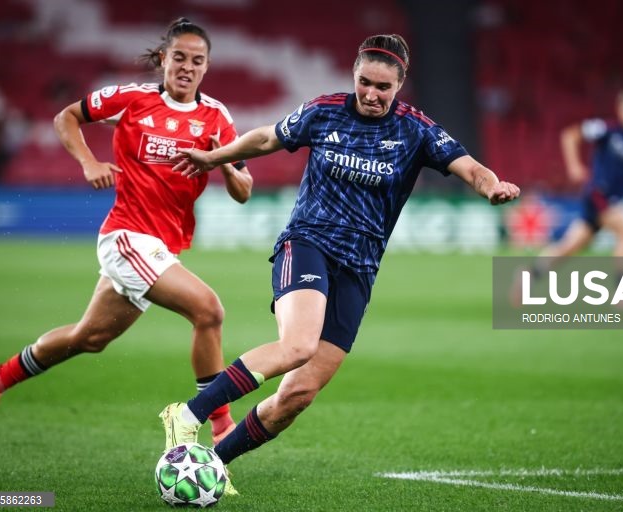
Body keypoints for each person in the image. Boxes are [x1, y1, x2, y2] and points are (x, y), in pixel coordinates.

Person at [158, 33, 520, 487]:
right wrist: (215, 157)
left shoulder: (416, 130)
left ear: (400, 86)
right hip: (308, 243)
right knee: (298, 346)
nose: (371, 94)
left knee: (298, 394)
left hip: (359, 269)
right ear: (354, 74)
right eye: (365, 82)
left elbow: (469, 166)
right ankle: (188, 412)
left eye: (383, 87)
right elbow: (268, 137)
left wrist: (492, 186)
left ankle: (212, 463)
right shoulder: (325, 110)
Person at [0, 18, 253, 446]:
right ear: (163, 59)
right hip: (127, 236)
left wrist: (222, 163)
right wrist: (88, 162)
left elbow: (244, 191)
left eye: (197, 61)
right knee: (208, 310)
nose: (186, 67)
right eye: (179, 57)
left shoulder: (217, 117)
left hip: (162, 244)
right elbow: (66, 117)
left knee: (91, 337)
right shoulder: (132, 99)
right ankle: (220, 426)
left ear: (207, 67)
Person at [527, 88, 623, 273]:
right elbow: (570, 135)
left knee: (570, 247)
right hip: (598, 194)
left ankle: (530, 274)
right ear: (619, 110)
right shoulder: (607, 129)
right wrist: (574, 166)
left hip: (615, 199)